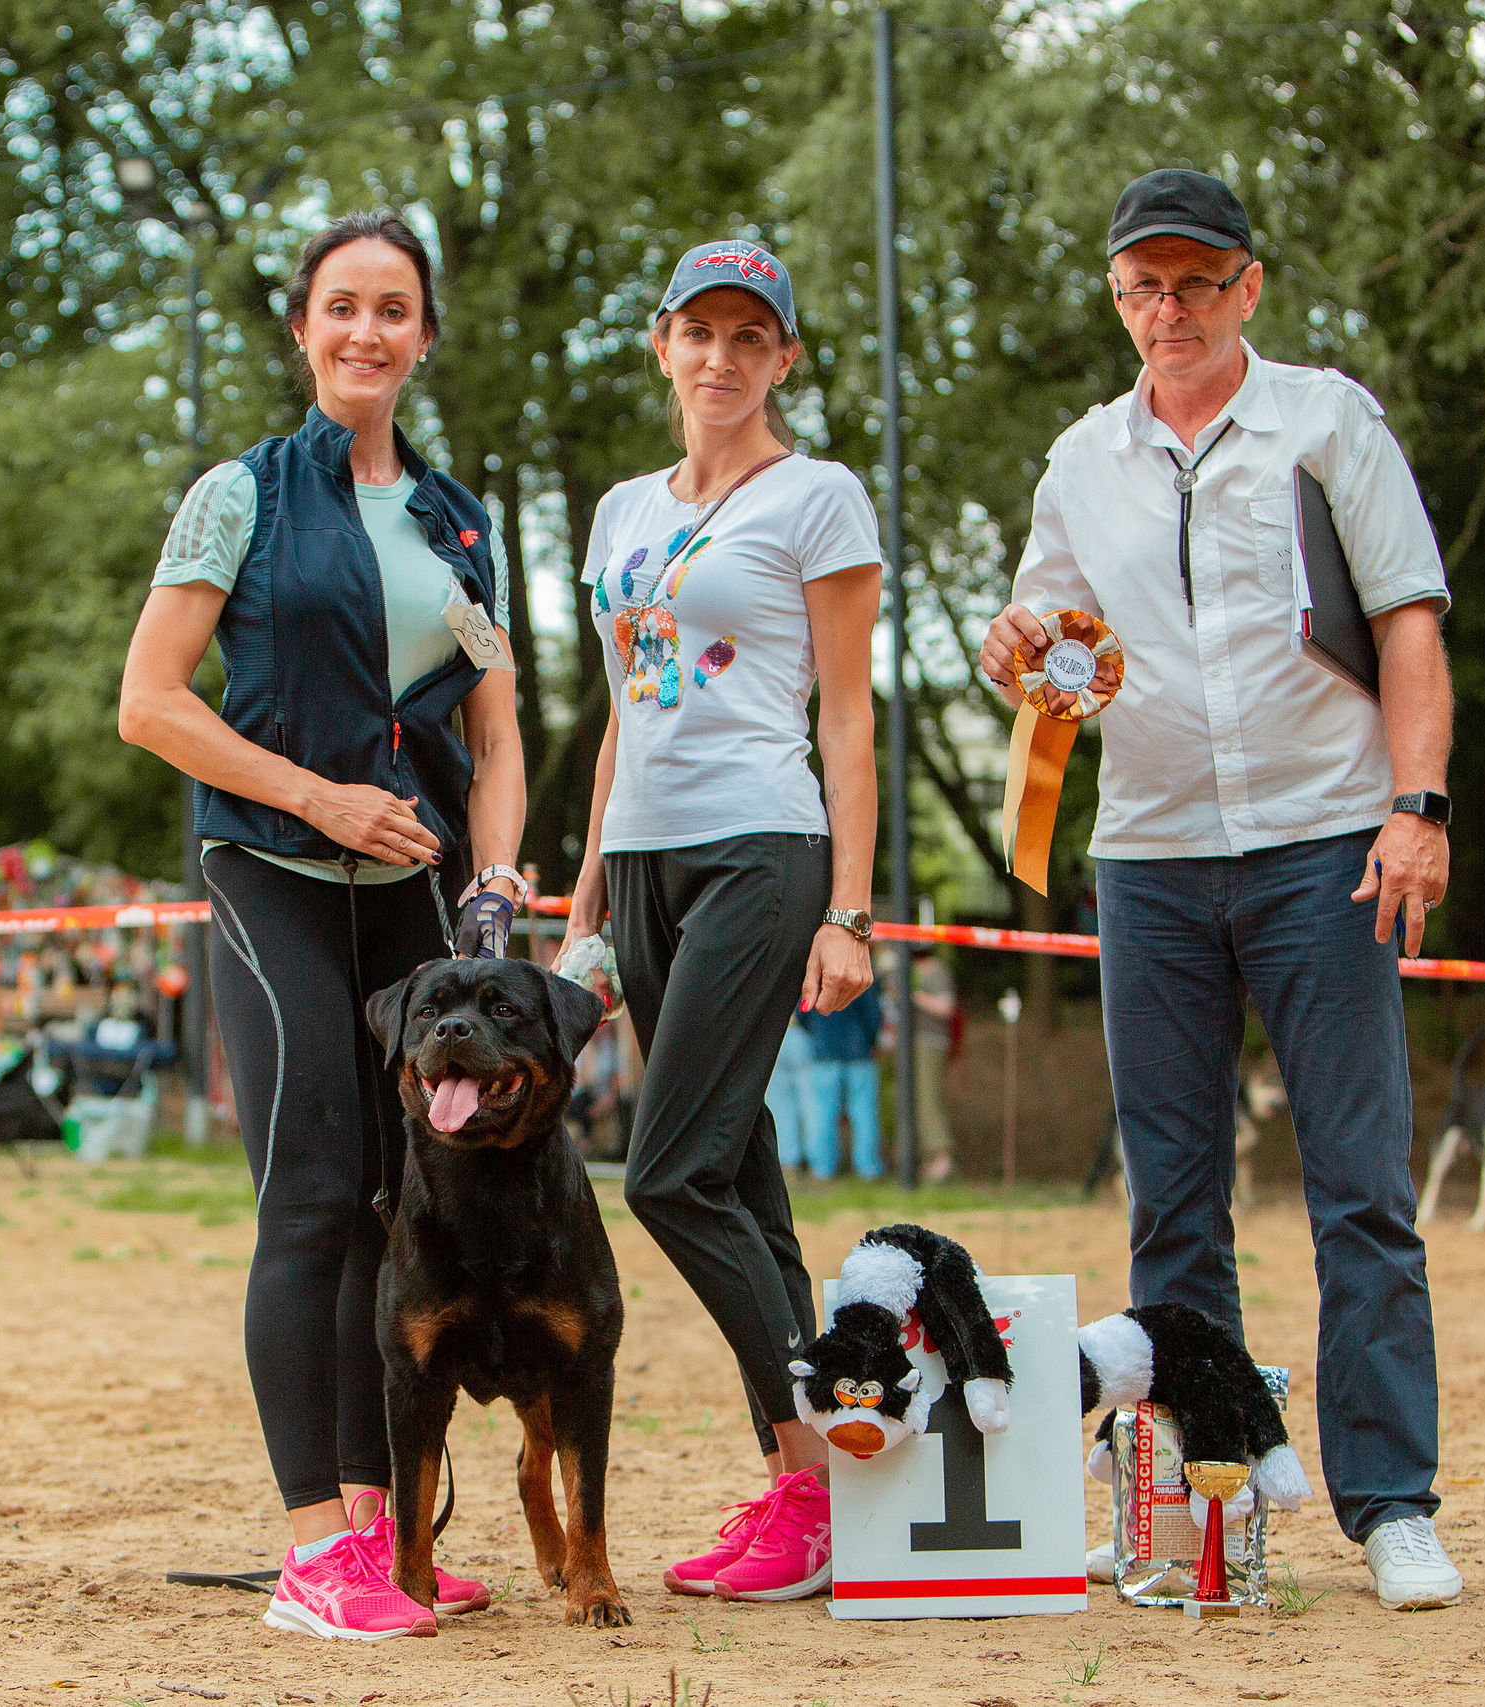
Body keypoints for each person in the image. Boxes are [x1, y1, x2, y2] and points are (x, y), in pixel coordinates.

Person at [980, 168, 1462, 1610]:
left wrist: (1417, 807)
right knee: (1173, 1200)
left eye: (1197, 280)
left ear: (1250, 286)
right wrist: (1013, 640)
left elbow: (1411, 621)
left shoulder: (1329, 420)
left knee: (1362, 1189)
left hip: (1328, 844)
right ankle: (1210, 1493)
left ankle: (1392, 1506)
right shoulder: (1080, 458)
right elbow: (1043, 636)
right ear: (1118, 298)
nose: (1170, 307)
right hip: (1149, 859)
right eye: (1145, 284)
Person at [117, 211, 525, 1640]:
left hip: (410, 897)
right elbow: (151, 700)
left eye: (394, 309)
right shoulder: (237, 495)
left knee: (397, 1199)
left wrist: (492, 873)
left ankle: (381, 1529)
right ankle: (311, 1553)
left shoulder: (459, 516)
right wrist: (321, 797)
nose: (367, 331)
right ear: (302, 328)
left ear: (425, 336)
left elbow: (497, 714)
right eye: (340, 306)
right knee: (310, 1192)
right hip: (271, 867)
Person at [562, 238, 880, 1604]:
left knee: (665, 1171)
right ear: (661, 343)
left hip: (764, 846)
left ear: (784, 357)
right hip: (642, 861)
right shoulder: (624, 510)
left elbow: (853, 715)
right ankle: (813, 1492)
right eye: (700, 331)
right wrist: (581, 905)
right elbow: (621, 722)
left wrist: (852, 909)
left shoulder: (819, 495)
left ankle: (815, 1473)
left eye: (751, 337)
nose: (722, 358)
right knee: (739, 1167)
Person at [800, 975, 882, 1180]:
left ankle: (822, 1169)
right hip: (859, 1052)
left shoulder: (816, 973)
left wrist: (817, 1033)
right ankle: (868, 1169)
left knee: (822, 1113)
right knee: (864, 1113)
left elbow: (803, 1011)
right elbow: (873, 1015)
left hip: (824, 1052)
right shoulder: (863, 973)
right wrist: (870, 1040)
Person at [906, 945, 960, 1183]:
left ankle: (942, 1156)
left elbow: (947, 1008)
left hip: (931, 1042)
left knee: (928, 1099)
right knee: (919, 1099)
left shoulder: (937, 971)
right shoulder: (917, 971)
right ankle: (930, 1157)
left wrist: (916, 997)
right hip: (918, 1041)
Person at [763, 1000, 820, 1175]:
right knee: (811, 1105)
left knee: (781, 1107)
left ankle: (788, 1161)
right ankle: (817, 1162)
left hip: (774, 1032)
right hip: (801, 1033)